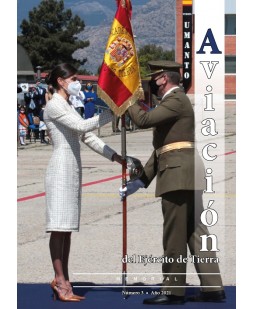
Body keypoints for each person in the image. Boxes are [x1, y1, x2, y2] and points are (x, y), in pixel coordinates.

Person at [119, 61, 226, 305]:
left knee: (174, 235)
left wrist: (128, 99)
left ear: (162, 80)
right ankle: (213, 288)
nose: (151, 84)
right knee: (195, 232)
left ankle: (173, 290)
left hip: (177, 176)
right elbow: (164, 148)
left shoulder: (175, 100)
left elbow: (143, 120)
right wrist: (141, 180)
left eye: (153, 78)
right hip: (183, 172)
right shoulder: (176, 101)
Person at [43, 63, 122, 302]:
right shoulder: (55, 104)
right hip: (60, 170)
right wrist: (112, 113)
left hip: (71, 170)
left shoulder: (66, 104)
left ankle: (64, 279)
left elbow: (87, 136)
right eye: (74, 78)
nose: (77, 82)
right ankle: (59, 281)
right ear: (61, 81)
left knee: (66, 229)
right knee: (58, 229)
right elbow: (81, 126)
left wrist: (115, 156)